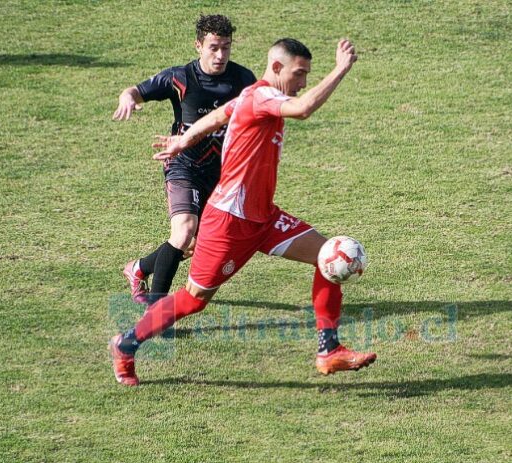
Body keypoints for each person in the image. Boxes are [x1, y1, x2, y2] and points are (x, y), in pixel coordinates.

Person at [109, 38, 376, 386]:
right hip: (228, 224)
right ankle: (125, 345)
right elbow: (304, 108)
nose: (303, 82)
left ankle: (329, 350)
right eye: (300, 73)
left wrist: (183, 139)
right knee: (193, 300)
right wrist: (340, 69)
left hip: (264, 218)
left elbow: (221, 114)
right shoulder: (263, 95)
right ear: (277, 68)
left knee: (329, 256)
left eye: (307, 75)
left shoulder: (253, 95)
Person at [113, 15, 256, 304]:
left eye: (226, 47)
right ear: (198, 46)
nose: (220, 55)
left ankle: (138, 268)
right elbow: (136, 91)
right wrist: (127, 98)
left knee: (192, 245)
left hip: (221, 175)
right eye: (214, 47)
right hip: (183, 164)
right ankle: (157, 314)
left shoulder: (243, 79)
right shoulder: (180, 78)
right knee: (184, 231)